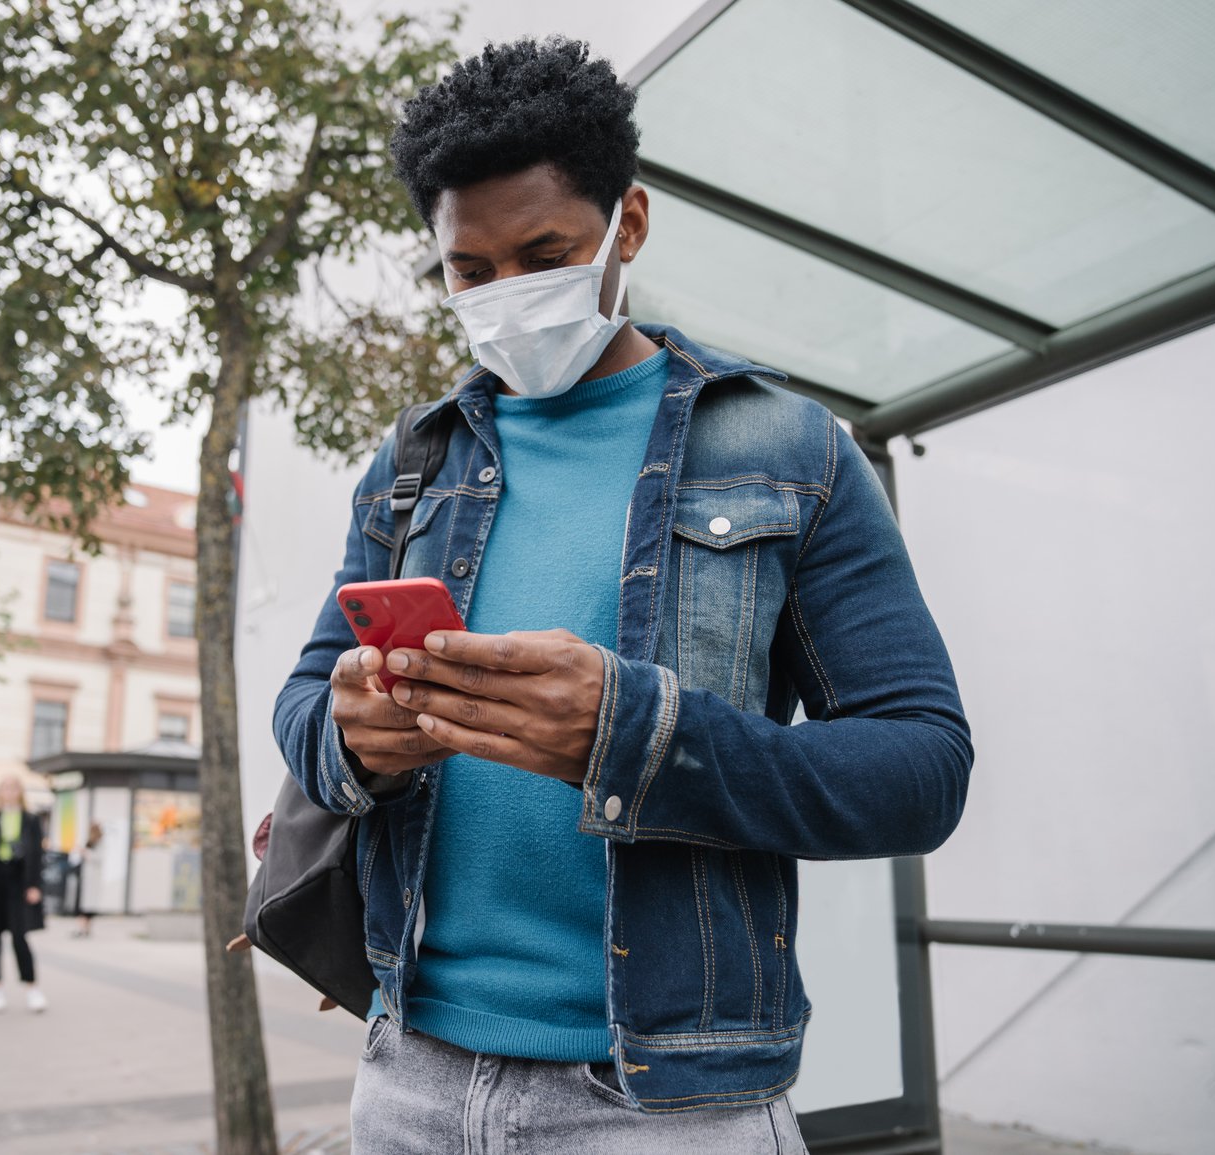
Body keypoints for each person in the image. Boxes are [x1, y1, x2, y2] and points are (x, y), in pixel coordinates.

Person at [272, 36, 972, 1153]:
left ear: (626, 227)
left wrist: (634, 735)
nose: (506, 298)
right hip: (406, 1078)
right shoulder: (413, 463)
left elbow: (922, 769)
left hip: (661, 1105)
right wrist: (349, 737)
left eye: (542, 253)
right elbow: (306, 705)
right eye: (469, 271)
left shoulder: (791, 452)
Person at [0, 776, 47, 1013]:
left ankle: (32, 988)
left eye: (14, 788)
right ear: (0, 792)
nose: (10, 792)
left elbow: (37, 855)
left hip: (19, 882)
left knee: (19, 937)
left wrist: (35, 885)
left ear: (20, 792)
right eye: (5, 788)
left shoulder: (31, 820)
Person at [71, 822, 104, 938]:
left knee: (85, 906)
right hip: (85, 877)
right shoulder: (90, 842)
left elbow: (98, 858)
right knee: (83, 904)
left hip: (91, 878)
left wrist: (84, 852)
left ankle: (84, 928)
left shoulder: (100, 843)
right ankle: (84, 928)